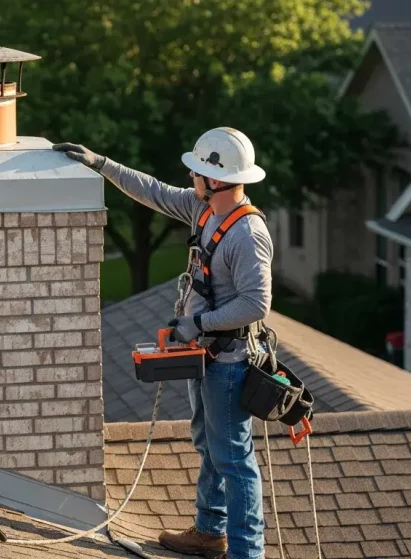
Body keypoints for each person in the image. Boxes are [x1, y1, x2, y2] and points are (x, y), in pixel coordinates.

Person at [54, 127, 273, 559]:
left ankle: (248, 553)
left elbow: (257, 303)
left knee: (233, 458)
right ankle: (211, 532)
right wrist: (102, 164)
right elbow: (152, 191)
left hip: (228, 361)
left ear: (216, 179)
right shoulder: (202, 209)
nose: (190, 178)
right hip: (205, 355)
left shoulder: (247, 234)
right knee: (209, 445)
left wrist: (199, 323)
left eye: (197, 172)